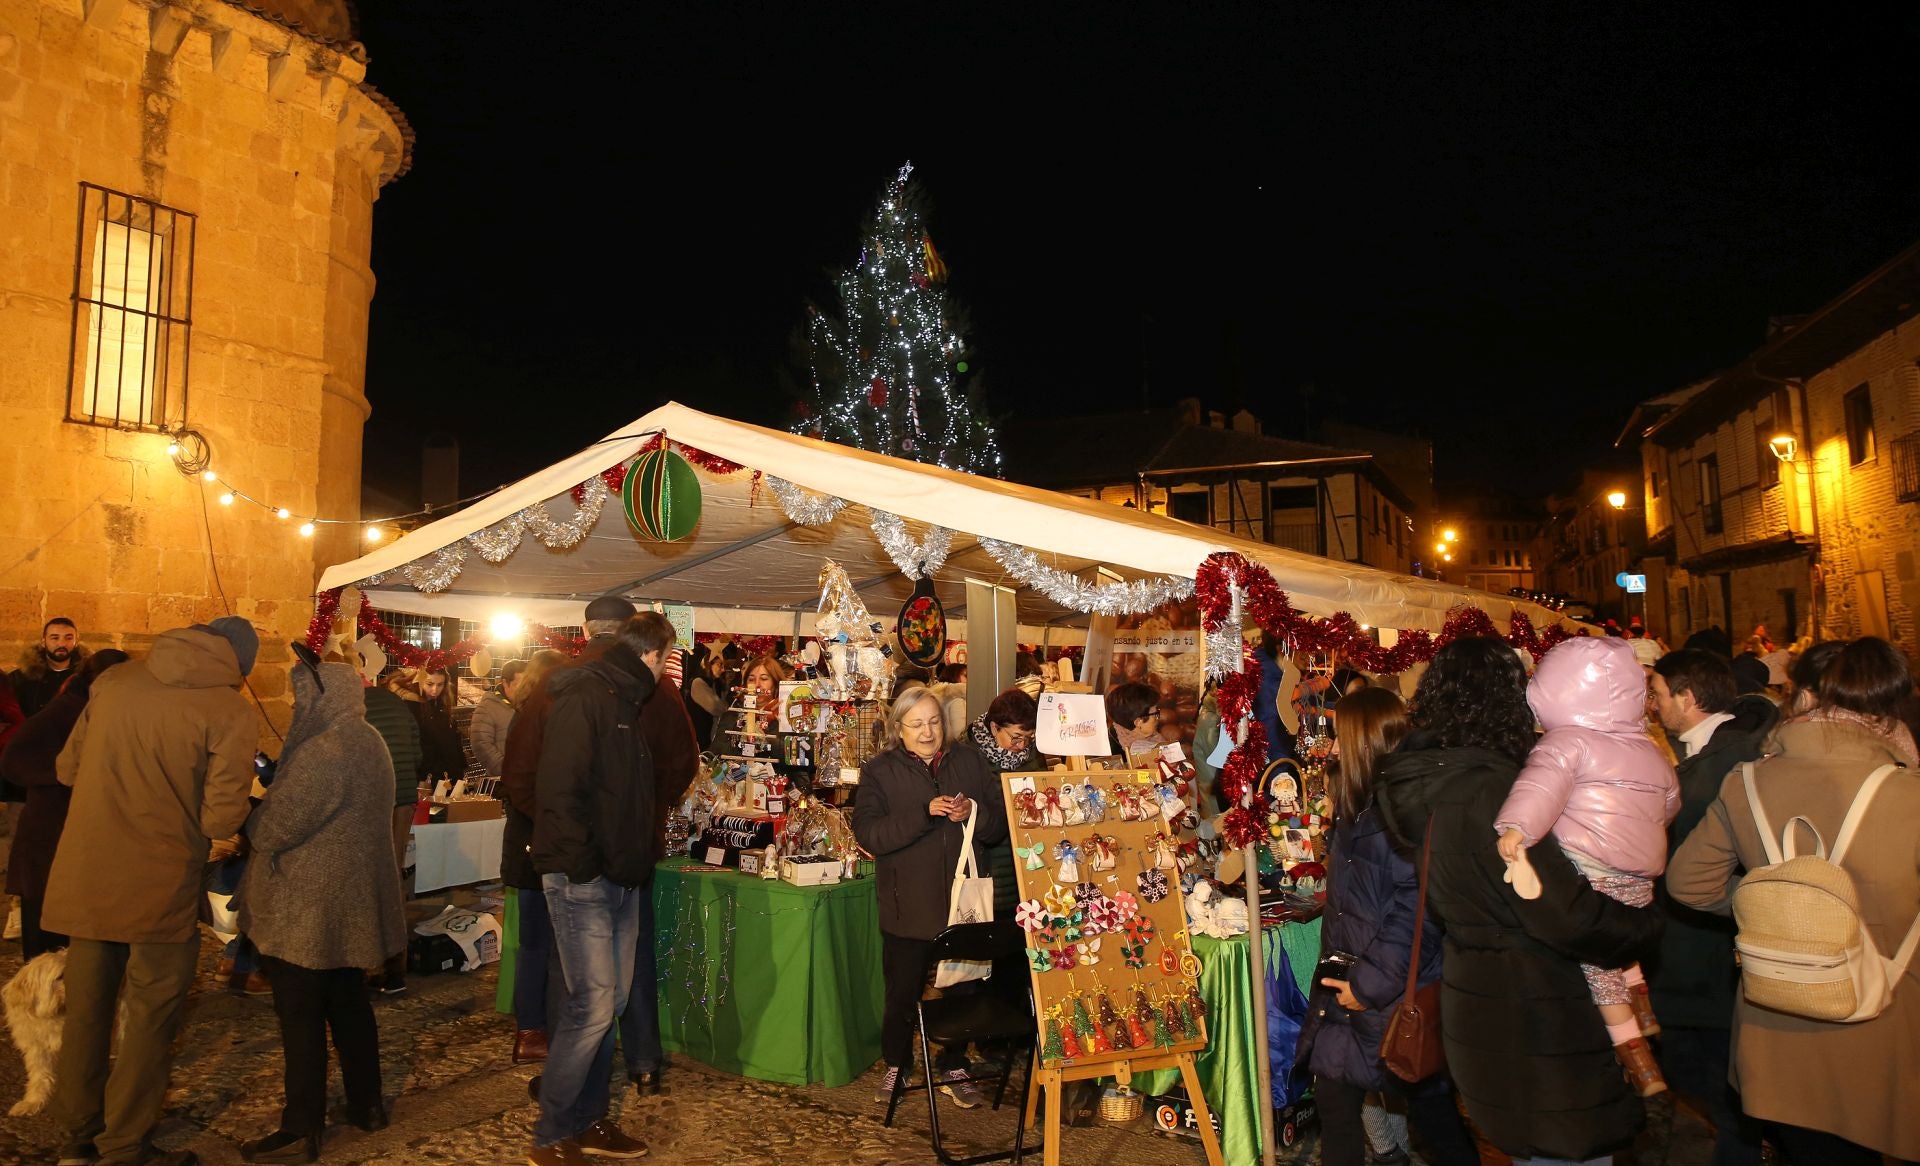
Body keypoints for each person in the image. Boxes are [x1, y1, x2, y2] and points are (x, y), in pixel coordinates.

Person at [1373, 636, 1666, 1166]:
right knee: (1566, 1153)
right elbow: (1567, 914)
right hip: (1542, 1011)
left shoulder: (1428, 781)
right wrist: (1643, 925)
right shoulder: (1502, 793)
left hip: (1476, 1002)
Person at [1668, 637, 1920, 1165]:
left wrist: (1775, 905)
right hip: (1886, 1018)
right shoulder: (1909, 792)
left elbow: (1689, 883)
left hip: (1778, 1018)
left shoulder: (1747, 781)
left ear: (1802, 697)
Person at [46, 617, 260, 1166]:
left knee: (86, 1011)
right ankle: (123, 1146)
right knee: (150, 1016)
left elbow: (67, 769)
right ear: (239, 663)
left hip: (89, 871)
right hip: (161, 883)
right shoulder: (230, 710)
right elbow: (220, 817)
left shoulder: (114, 681)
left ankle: (77, 1136)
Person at [236, 647, 407, 1164]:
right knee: (349, 1005)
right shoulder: (368, 739)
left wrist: (252, 812)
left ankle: (300, 1127)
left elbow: (274, 830)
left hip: (307, 910)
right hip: (346, 905)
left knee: (301, 1017)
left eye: (300, 696)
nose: (295, 706)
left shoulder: (325, 751)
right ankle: (366, 1105)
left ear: (322, 697)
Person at [1299, 687, 1478, 1166]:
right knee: (1336, 1104)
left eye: (1339, 737)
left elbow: (1417, 912)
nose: (1332, 748)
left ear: (1364, 743)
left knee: (1433, 1115)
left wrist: (1368, 985)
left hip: (1391, 995)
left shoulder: (1404, 814)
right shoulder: (1357, 806)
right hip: (1350, 987)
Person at [1494, 637, 1680, 1095]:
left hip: (1593, 867)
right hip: (1641, 873)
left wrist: (1516, 829)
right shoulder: (1648, 747)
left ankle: (1637, 1057)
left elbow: (1540, 789)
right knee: (1625, 938)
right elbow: (1670, 803)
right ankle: (1644, 1008)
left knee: (1598, 965)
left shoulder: (1566, 743)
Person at [527, 613, 672, 1164]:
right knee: (591, 1006)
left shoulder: (624, 700)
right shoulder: (587, 696)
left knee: (610, 1002)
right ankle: (551, 1133)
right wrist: (585, 868)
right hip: (584, 878)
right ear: (651, 655)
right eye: (666, 659)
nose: (666, 670)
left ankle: (589, 1119)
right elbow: (559, 791)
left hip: (620, 876)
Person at [1644, 649, 1774, 1166]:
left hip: (1707, 954)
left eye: (1658, 693)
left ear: (1688, 698)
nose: (1653, 705)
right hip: (1695, 951)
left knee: (1718, 1075)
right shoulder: (1706, 753)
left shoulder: (1727, 764)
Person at [852, 685, 1009, 1108]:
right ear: (898, 729)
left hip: (964, 907)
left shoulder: (969, 761)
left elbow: (999, 826)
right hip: (908, 907)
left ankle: (954, 1064)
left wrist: (973, 813)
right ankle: (897, 1064)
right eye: (917, 724)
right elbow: (870, 834)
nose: (928, 732)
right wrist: (924, 813)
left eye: (935, 722)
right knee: (902, 993)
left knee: (964, 991)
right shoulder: (880, 771)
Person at [504, 596, 634, 1067]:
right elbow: (526, 780)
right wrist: (558, 821)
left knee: (552, 951)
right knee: (560, 955)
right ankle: (549, 1047)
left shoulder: (544, 705)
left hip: (552, 844)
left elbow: (522, 778)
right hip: (557, 848)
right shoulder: (575, 702)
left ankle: (544, 1040)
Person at [2, 649, 129, 959]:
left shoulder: (99, 709)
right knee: (45, 934)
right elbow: (14, 759)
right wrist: (67, 775)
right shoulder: (67, 710)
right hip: (49, 831)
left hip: (72, 832)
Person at [620, 645, 701, 1096]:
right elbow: (685, 759)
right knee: (634, 949)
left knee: (583, 965)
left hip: (585, 853)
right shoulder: (660, 692)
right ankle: (643, 1060)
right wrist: (656, 805)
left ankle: (582, 1065)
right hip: (633, 843)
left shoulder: (569, 686)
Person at [498, 648, 573, 1062]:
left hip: (533, 844)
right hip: (536, 847)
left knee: (538, 942)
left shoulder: (526, 717)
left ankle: (535, 1026)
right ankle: (531, 1028)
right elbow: (524, 788)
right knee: (539, 943)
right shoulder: (534, 722)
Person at [361, 661, 423, 997]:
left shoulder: (351, 707)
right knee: (392, 875)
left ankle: (370, 963)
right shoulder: (397, 705)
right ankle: (396, 967)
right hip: (403, 797)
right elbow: (416, 754)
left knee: (366, 880)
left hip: (372, 800)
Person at [953, 687, 1041, 918]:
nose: (1022, 746)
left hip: (1028, 862)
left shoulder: (1034, 755)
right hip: (986, 866)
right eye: (1016, 737)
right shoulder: (965, 756)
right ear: (994, 727)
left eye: (1029, 738)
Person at [396, 667, 464, 794]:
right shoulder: (411, 707)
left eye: (440, 685)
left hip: (447, 774)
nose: (435, 690)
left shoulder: (441, 704)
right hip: (428, 776)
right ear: (419, 681)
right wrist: (422, 776)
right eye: (430, 684)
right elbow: (416, 745)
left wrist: (460, 767)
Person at [11, 617, 88, 719]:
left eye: (68, 638)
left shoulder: (87, 677)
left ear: (76, 642)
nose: (61, 644)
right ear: (43, 642)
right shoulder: (20, 678)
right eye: (55, 638)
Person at [468, 658, 526, 787]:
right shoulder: (488, 707)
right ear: (505, 683)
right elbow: (481, 744)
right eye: (519, 685)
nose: (524, 690)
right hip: (502, 781)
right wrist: (505, 768)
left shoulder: (528, 705)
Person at [1105, 680, 1164, 765]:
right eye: (1155, 714)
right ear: (1138, 722)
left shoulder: (1154, 739)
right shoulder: (1114, 756)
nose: (1157, 719)